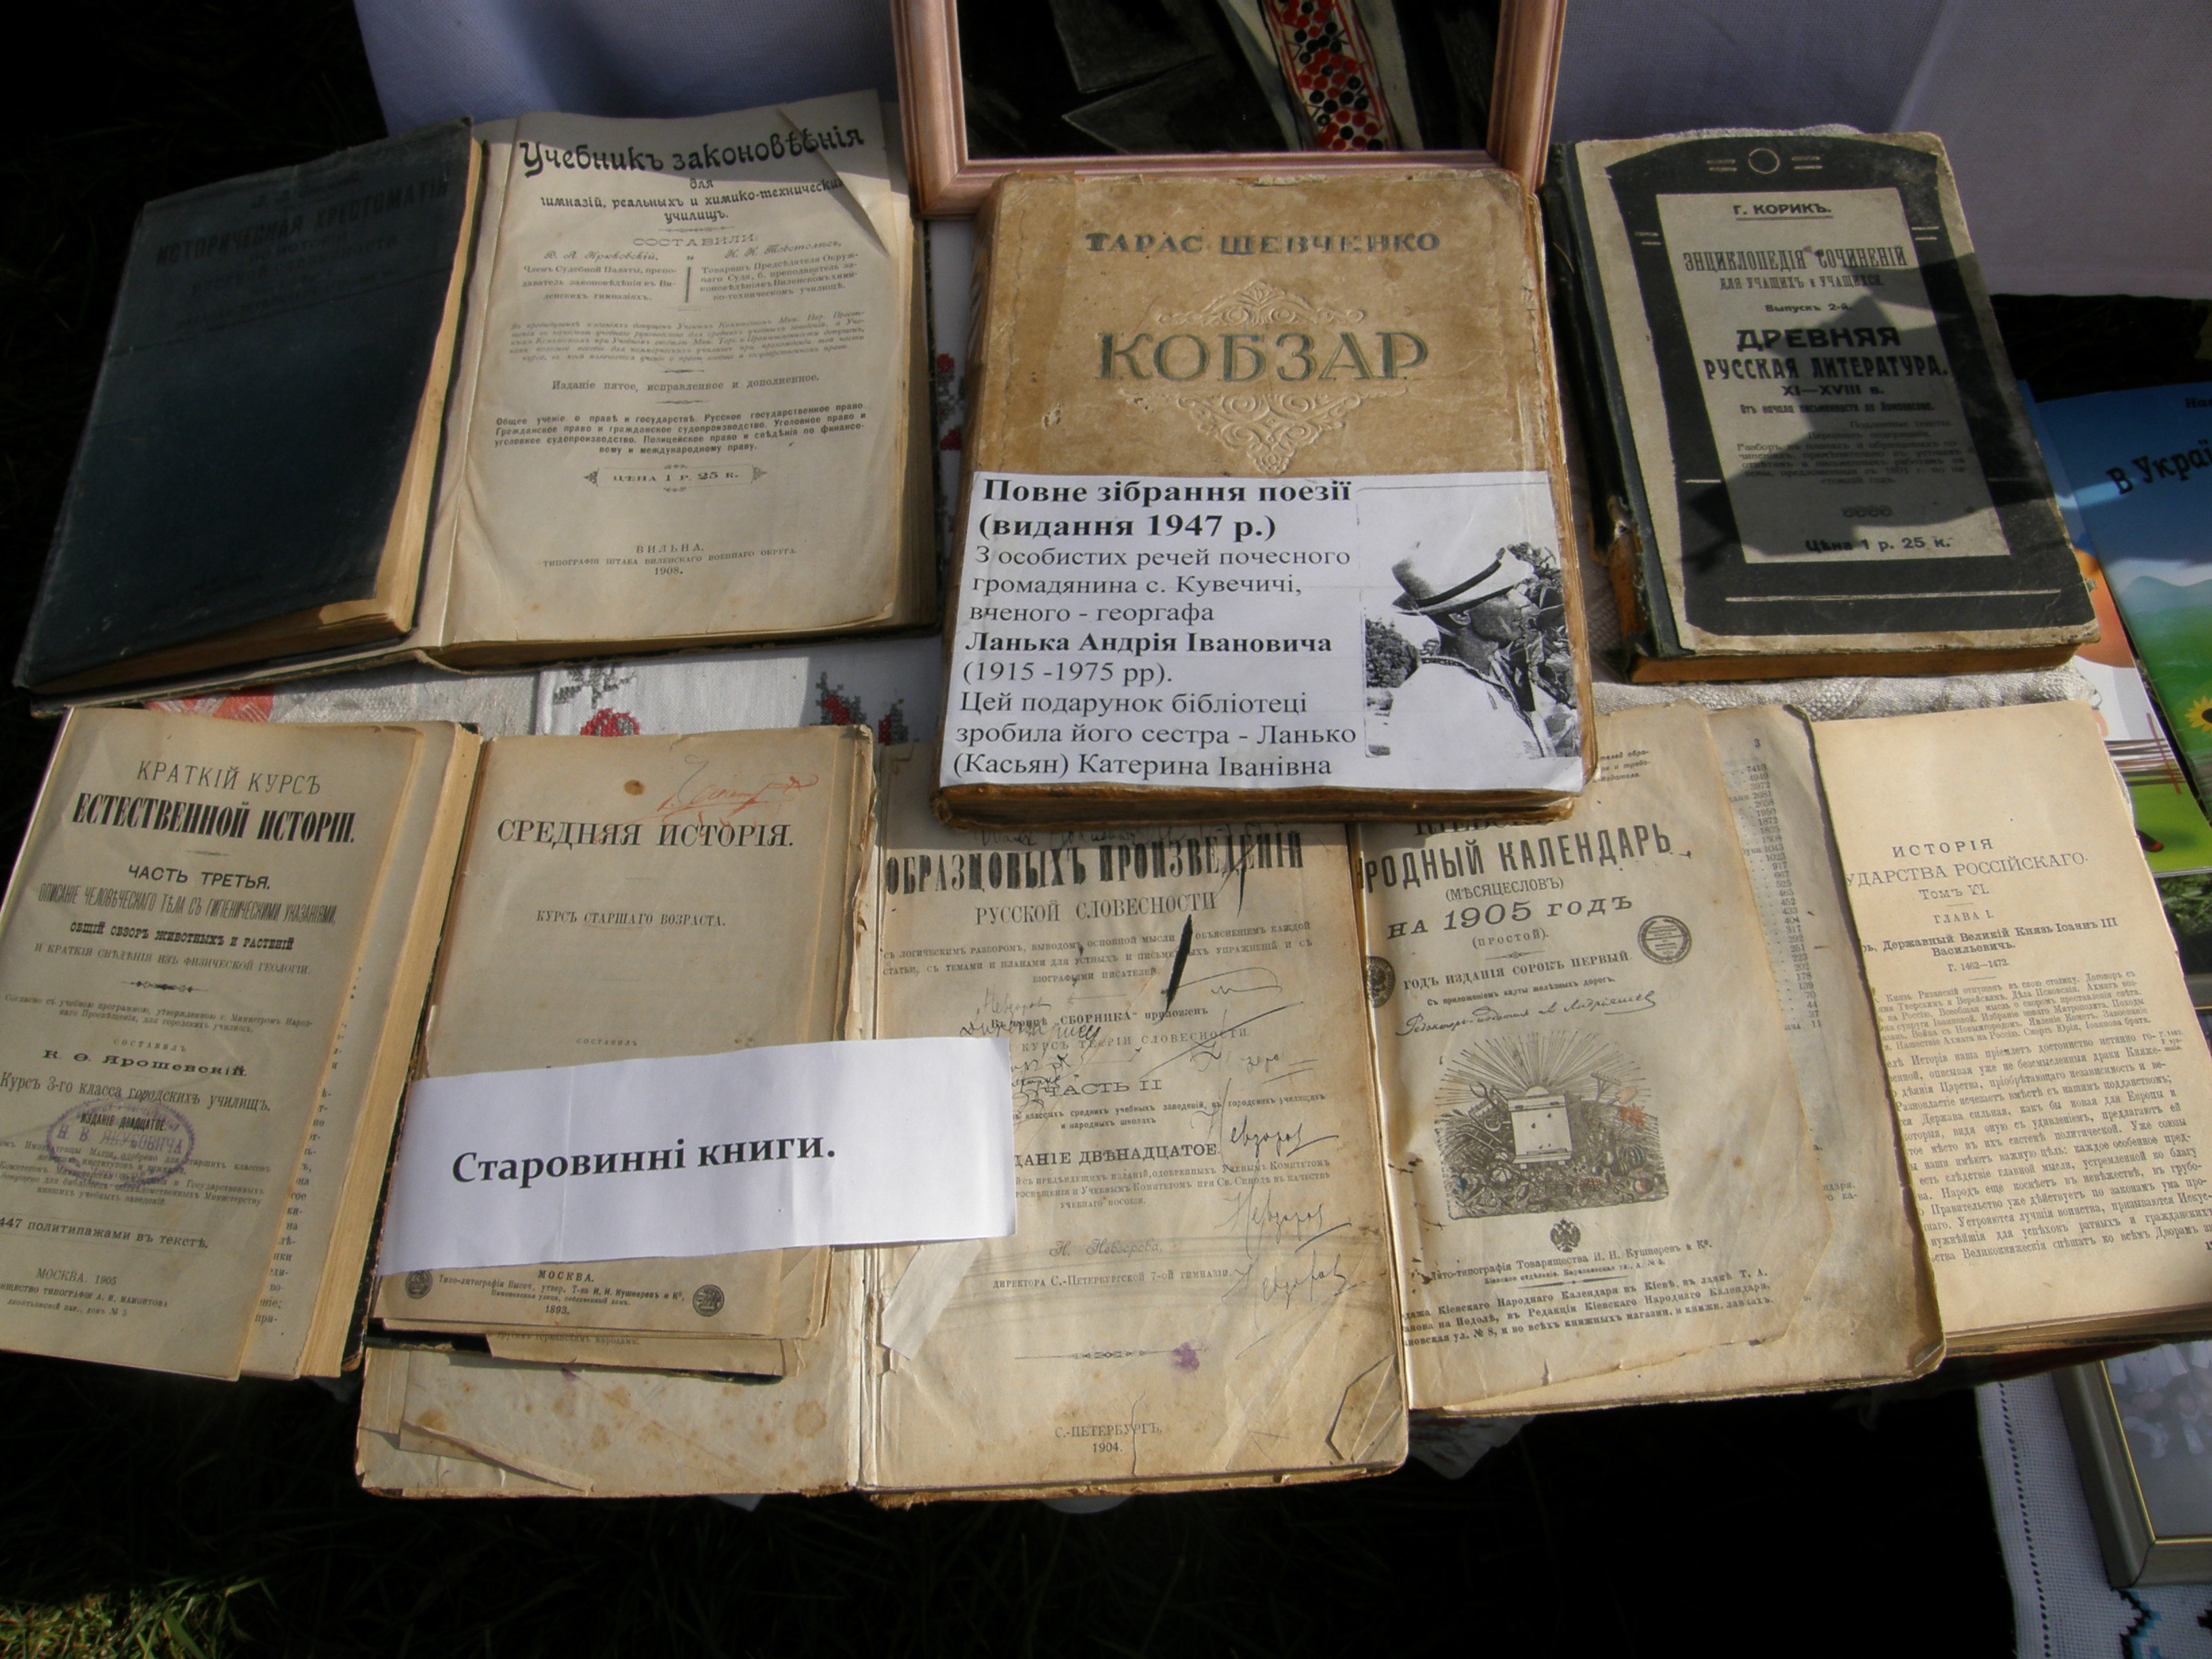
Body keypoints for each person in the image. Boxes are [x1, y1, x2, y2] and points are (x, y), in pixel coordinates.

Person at [1383, 543, 1566, 759]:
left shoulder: (1499, 671)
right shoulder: (1429, 696)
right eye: (1502, 595)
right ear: (1460, 616)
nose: (1522, 602)